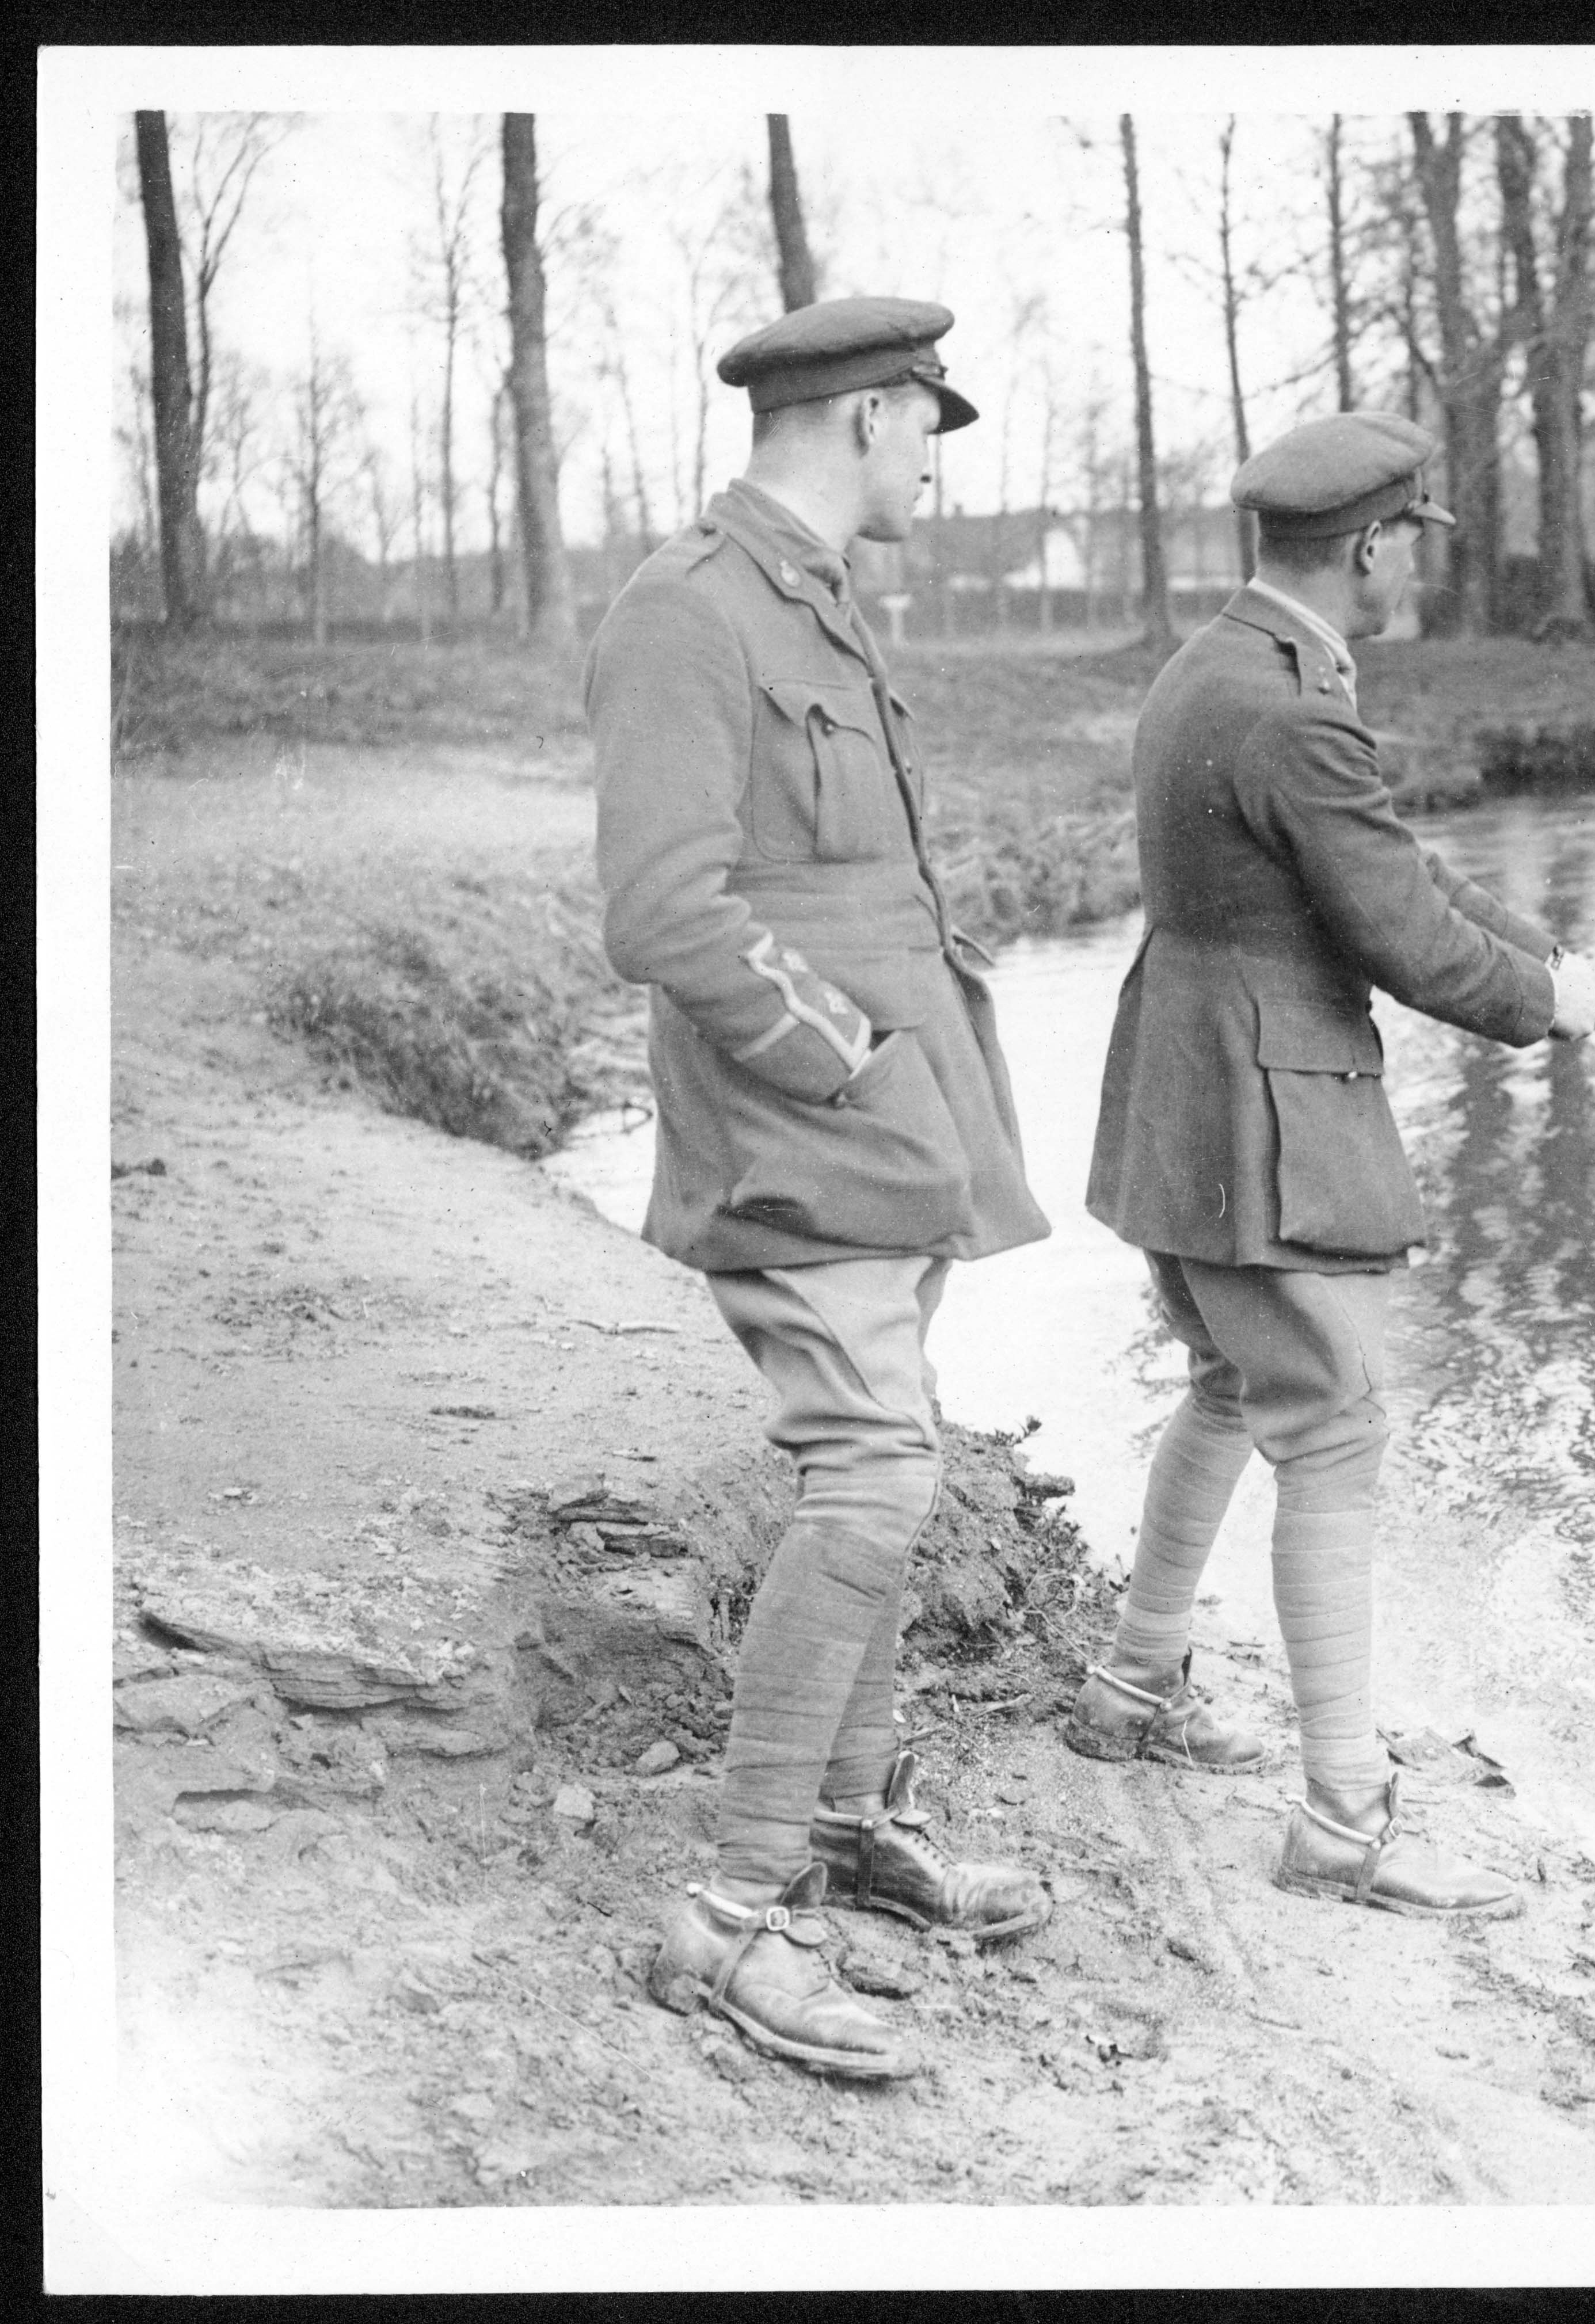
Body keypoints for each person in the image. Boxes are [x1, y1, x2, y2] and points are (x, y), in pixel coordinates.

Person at [1071, 410, 1595, 1922]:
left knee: (1228, 1386)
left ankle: (1131, 1685)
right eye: (1413, 541)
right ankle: (1341, 1823)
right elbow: (1397, 932)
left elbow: (1402, 871)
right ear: (1374, 546)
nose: (1417, 568)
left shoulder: (1214, 670)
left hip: (1175, 1103)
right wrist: (1544, 1006)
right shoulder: (1291, 711)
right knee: (1329, 1431)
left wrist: (1566, 961)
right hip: (1265, 1113)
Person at [589, 296, 1053, 2081]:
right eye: (925, 422)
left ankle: (853, 1825)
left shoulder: (815, 596)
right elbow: (665, 910)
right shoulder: (687, 610)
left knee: (889, 1449)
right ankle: (730, 1908)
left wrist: (909, 1069)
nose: (934, 455)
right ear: (866, 417)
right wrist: (847, 1060)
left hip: (895, 1117)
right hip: (809, 1121)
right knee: (871, 1468)